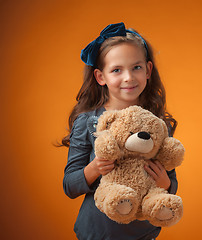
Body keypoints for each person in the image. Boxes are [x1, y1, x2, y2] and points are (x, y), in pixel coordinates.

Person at [61, 22, 179, 240]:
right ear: (101, 77)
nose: (128, 77)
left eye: (136, 67)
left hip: (144, 233)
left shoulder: (156, 125)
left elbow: (170, 180)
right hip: (97, 233)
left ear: (148, 70)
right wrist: (94, 168)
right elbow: (69, 185)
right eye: (117, 70)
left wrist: (167, 184)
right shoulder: (88, 122)